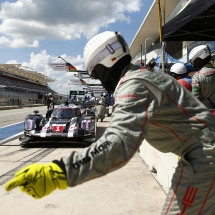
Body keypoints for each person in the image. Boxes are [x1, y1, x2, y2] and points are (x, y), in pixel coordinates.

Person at [5, 31, 215, 214]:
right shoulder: (144, 76)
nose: (101, 83)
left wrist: (58, 173)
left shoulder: (133, 84)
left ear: (106, 65)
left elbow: (117, 146)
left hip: (204, 156)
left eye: (97, 75)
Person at [189, 44, 215, 109]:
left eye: (193, 62)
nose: (193, 65)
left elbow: (195, 98)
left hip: (207, 113)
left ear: (198, 59)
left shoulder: (197, 76)